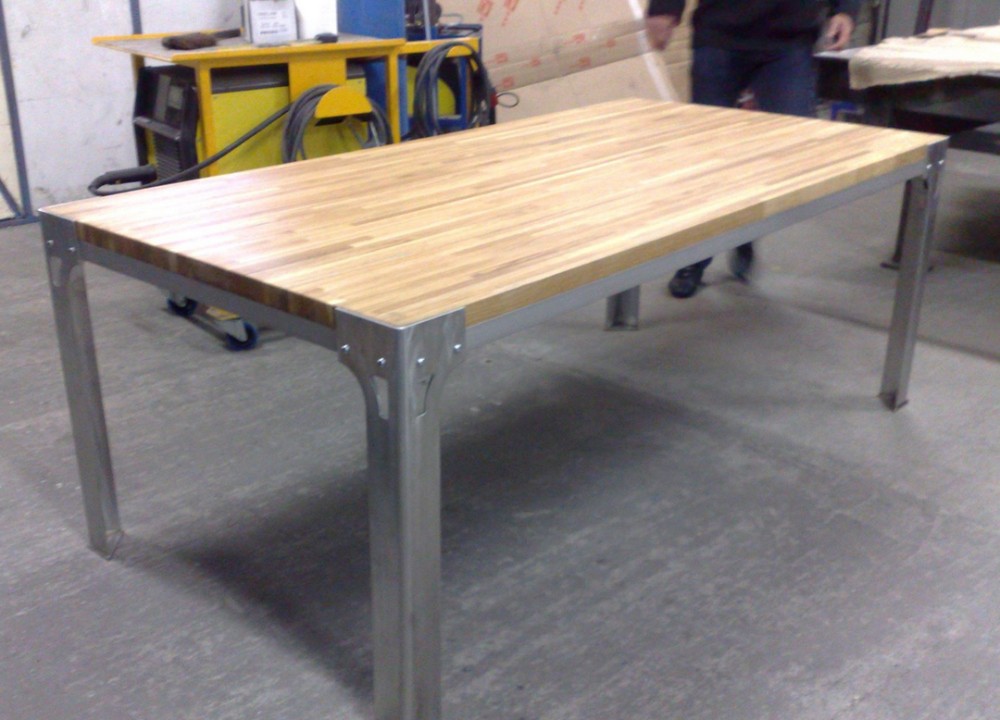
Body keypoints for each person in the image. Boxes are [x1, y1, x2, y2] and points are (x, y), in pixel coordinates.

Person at [646, 0, 859, 298]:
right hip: (720, 33)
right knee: (706, 159)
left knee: (787, 153)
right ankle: (694, 258)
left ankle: (743, 226)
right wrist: (664, 7)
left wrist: (845, 10)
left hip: (790, 38)